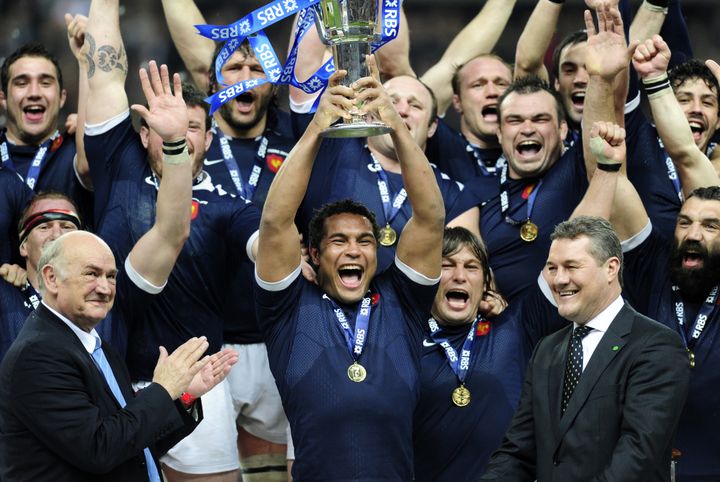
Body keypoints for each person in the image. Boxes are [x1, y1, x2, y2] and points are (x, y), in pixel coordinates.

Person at [82, 1, 263, 480]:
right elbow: (103, 74)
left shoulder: (227, 206)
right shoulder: (120, 161)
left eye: (190, 127)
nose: (174, 130)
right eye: (163, 125)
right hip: (108, 375)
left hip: (195, 382)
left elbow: (264, 245)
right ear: (144, 136)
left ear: (206, 139)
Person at [254, 57, 445, 480]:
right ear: (315, 255)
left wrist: (394, 122)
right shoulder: (286, 309)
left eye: (365, 241)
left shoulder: (404, 300)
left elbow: (430, 217)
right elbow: (274, 223)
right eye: (338, 242)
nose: (354, 251)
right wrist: (316, 129)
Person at [161, 3, 296, 475]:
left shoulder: (294, 134)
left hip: (278, 338)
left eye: (257, 68)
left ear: (273, 81)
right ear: (215, 82)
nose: (244, 75)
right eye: (233, 67)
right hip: (204, 346)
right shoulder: (189, 142)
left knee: (271, 471)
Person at [0, 230, 238, 482]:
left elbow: (135, 442)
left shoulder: (99, 347)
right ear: (51, 278)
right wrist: (163, 390)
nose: (104, 288)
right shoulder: (37, 355)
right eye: (91, 273)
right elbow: (100, 449)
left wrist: (183, 394)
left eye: (111, 276)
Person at [480, 215, 690, 481]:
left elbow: (638, 455)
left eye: (572, 266)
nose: (558, 280)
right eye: (552, 268)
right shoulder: (547, 349)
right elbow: (518, 451)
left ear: (611, 268)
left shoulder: (656, 346)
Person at [413, 227, 568, 481]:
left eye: (472, 267)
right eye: (446, 265)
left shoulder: (515, 327)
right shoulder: (403, 338)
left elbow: (567, 259)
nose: (460, 276)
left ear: (485, 282)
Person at [0, 42, 93, 224]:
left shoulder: (76, 151)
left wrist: (85, 61)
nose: (34, 93)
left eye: (45, 83)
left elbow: (87, 165)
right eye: (21, 83)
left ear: (61, 98)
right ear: (3, 99)